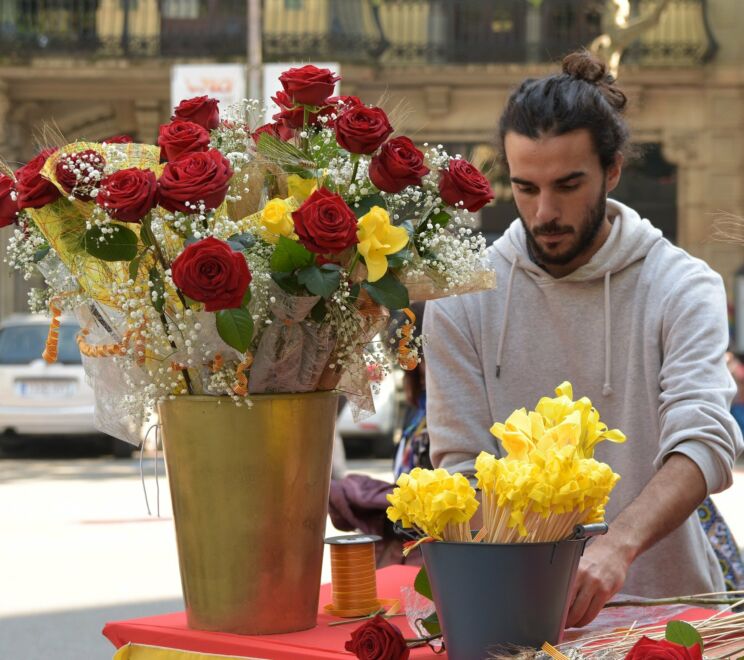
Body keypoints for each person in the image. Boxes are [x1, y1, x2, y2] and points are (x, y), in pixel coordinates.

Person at [423, 49, 744, 628]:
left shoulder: (682, 284)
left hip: (669, 618)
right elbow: (460, 467)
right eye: (525, 188)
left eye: (568, 185)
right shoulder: (462, 299)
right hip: (515, 621)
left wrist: (616, 546)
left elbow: (705, 443)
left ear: (612, 170)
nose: (544, 212)